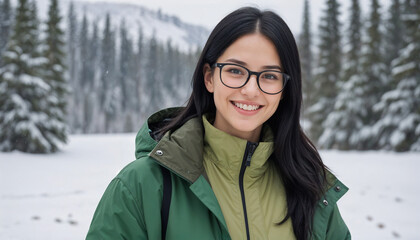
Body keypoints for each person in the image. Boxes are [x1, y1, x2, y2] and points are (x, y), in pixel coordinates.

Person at [86, 7, 350, 240]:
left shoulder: (311, 191)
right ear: (209, 78)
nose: (250, 90)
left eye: (269, 76)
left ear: (284, 89)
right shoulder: (141, 187)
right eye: (236, 71)